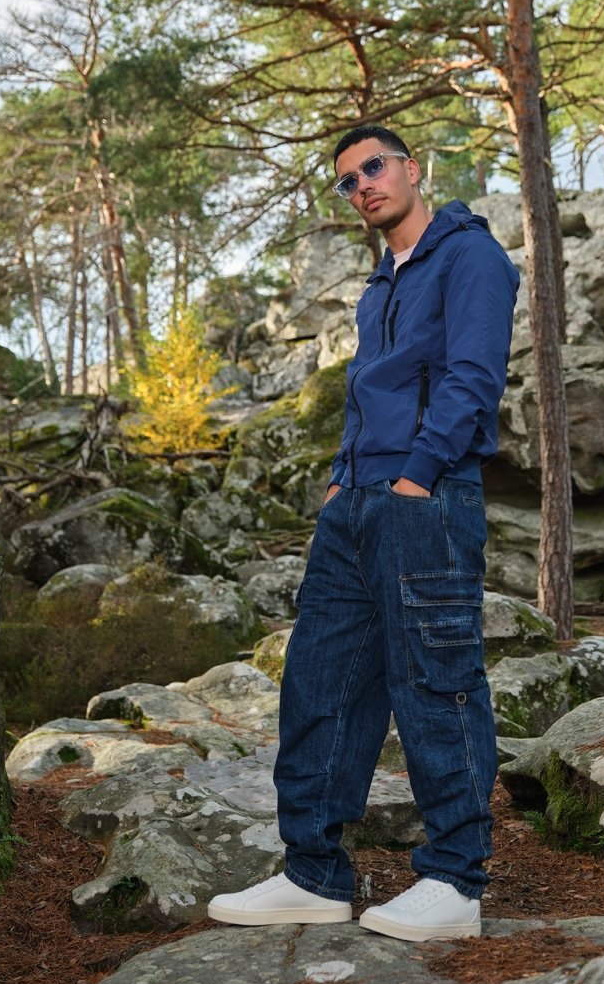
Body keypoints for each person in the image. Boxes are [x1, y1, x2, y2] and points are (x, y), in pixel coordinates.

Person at [208, 124, 519, 942]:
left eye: (373, 168)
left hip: (427, 498)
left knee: (436, 683)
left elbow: (473, 378)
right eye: (348, 181)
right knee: (320, 683)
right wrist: (344, 479)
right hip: (355, 505)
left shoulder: (470, 256)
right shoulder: (381, 283)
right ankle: (313, 875)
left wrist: (417, 474)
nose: (363, 186)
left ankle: (455, 881)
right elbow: (369, 391)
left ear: (412, 168)